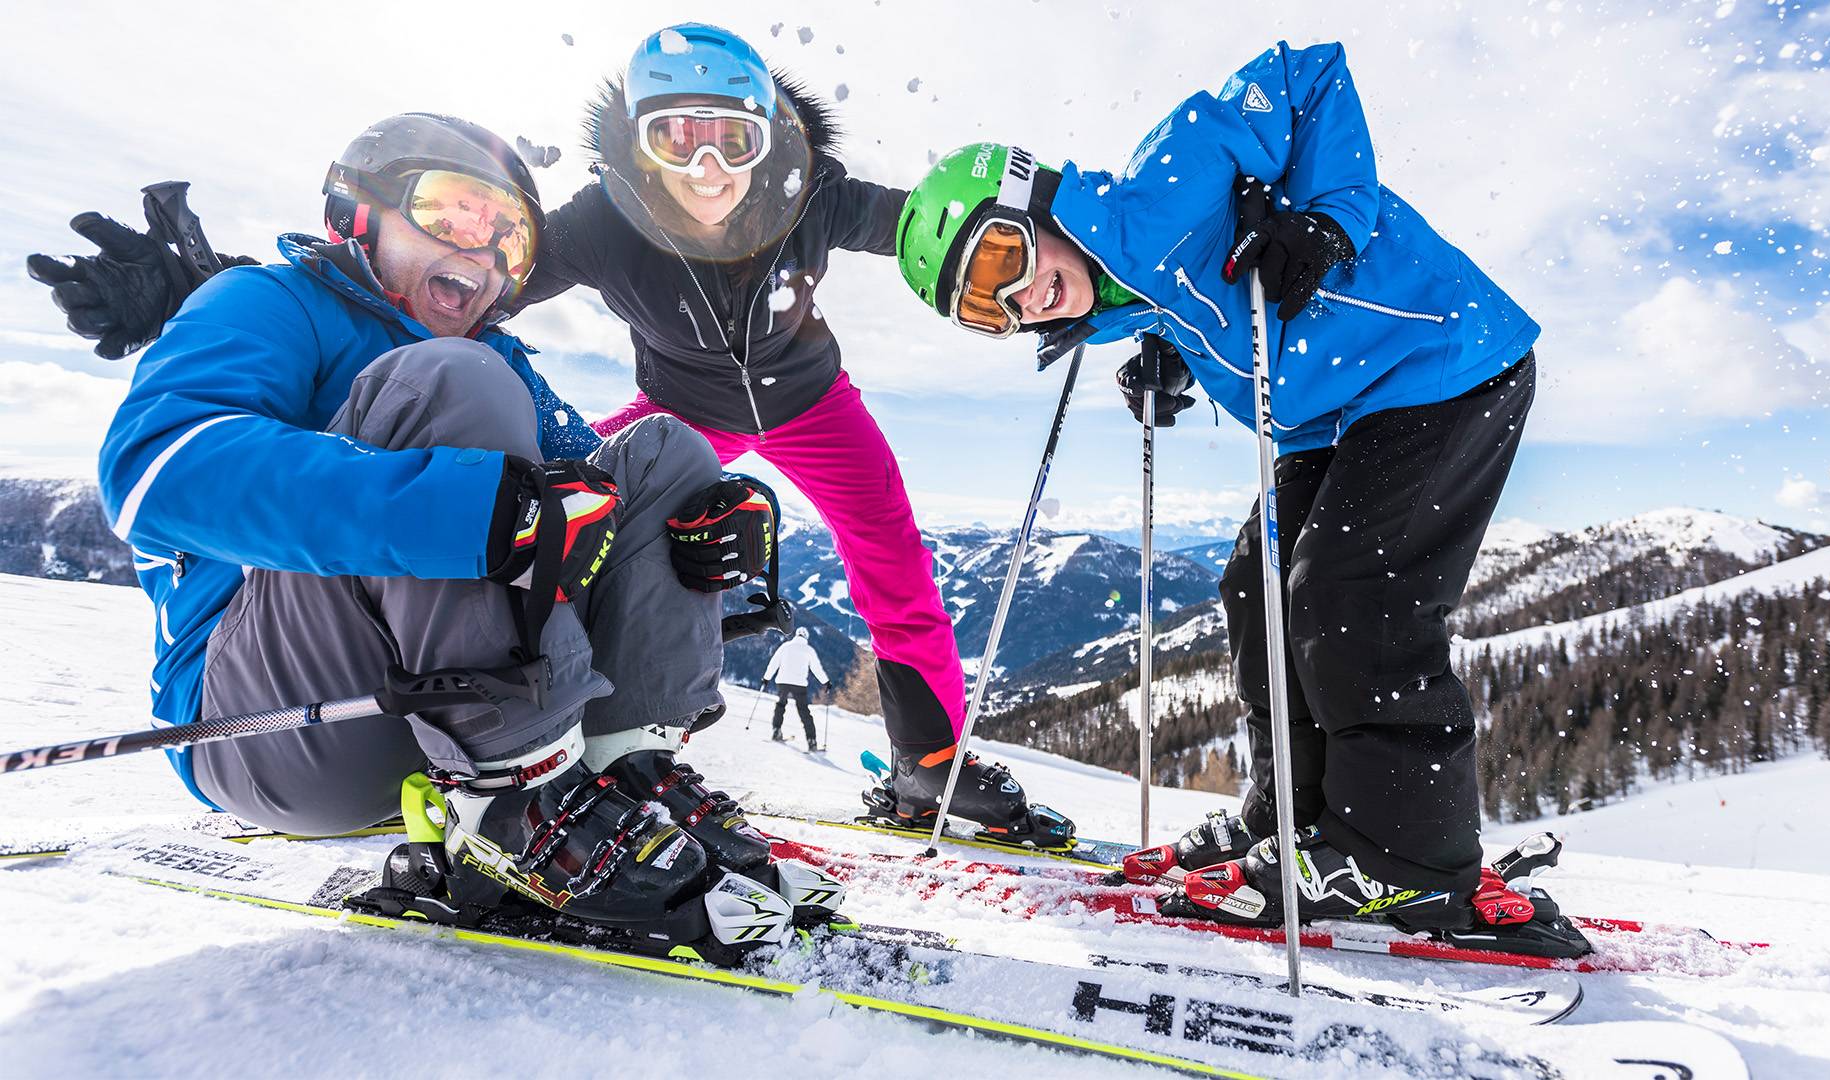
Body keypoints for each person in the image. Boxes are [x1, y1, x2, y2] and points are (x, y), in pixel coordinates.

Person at [29, 23, 1076, 847]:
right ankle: (522, 783)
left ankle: (842, 764)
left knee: (773, 510)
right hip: (295, 700)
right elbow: (402, 321)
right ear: (636, 149)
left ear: (772, 141)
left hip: (808, 400)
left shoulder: (808, 199)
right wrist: (209, 305)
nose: (708, 168)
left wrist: (1069, 260)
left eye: (734, 140)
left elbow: (929, 227)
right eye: (675, 140)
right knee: (529, 439)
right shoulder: (592, 229)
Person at [33, 113, 838, 944]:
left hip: (427, 725)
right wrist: (467, 508)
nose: (483, 254)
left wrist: (690, 524)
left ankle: (627, 769)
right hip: (273, 733)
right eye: (453, 212)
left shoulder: (498, 359)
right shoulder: (268, 302)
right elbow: (156, 476)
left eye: (511, 243)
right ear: (357, 209)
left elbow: (594, 500)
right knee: (452, 384)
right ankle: (514, 806)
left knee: (667, 452)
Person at [893, 41, 1573, 949]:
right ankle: (1291, 813)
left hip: (1443, 365)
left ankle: (1407, 856)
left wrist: (1328, 219)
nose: (1022, 298)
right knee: (1257, 585)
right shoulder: (1125, 285)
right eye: (987, 309)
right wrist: (1169, 352)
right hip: (1341, 415)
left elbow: (1309, 72)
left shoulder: (1157, 184)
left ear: (1033, 198)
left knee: (1351, 592)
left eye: (999, 258)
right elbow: (1191, 288)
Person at [762, 627, 828, 750]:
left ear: (796, 635)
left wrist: (766, 678)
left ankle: (776, 731)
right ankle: (811, 741)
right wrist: (826, 682)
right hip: (799, 684)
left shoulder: (785, 646)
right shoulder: (809, 650)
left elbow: (774, 663)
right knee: (803, 711)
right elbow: (816, 668)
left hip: (782, 681)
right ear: (806, 637)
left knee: (780, 705)